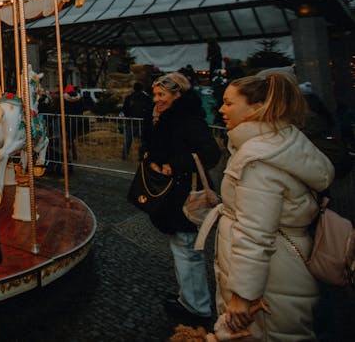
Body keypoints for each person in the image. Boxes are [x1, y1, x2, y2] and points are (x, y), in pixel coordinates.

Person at [208, 72, 334, 340]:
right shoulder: (281, 141)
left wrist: (243, 295)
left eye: (229, 103)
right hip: (283, 265)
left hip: (269, 277)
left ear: (256, 108)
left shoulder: (259, 159)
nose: (221, 109)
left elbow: (255, 233)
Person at [140, 72, 220, 326]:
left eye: (161, 94)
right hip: (172, 193)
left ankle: (197, 308)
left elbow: (211, 153)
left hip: (185, 192)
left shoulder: (189, 121)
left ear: (177, 95)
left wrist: (175, 165)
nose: (157, 99)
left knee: (187, 248)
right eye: (155, 94)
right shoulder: (162, 117)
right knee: (181, 247)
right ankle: (190, 298)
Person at [121, 82, 152, 160]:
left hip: (131, 120)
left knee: (128, 139)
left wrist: (128, 116)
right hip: (142, 121)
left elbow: (125, 108)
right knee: (143, 140)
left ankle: (124, 155)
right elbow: (150, 108)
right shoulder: (146, 97)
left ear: (134, 88)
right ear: (142, 88)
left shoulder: (129, 97)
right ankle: (141, 156)